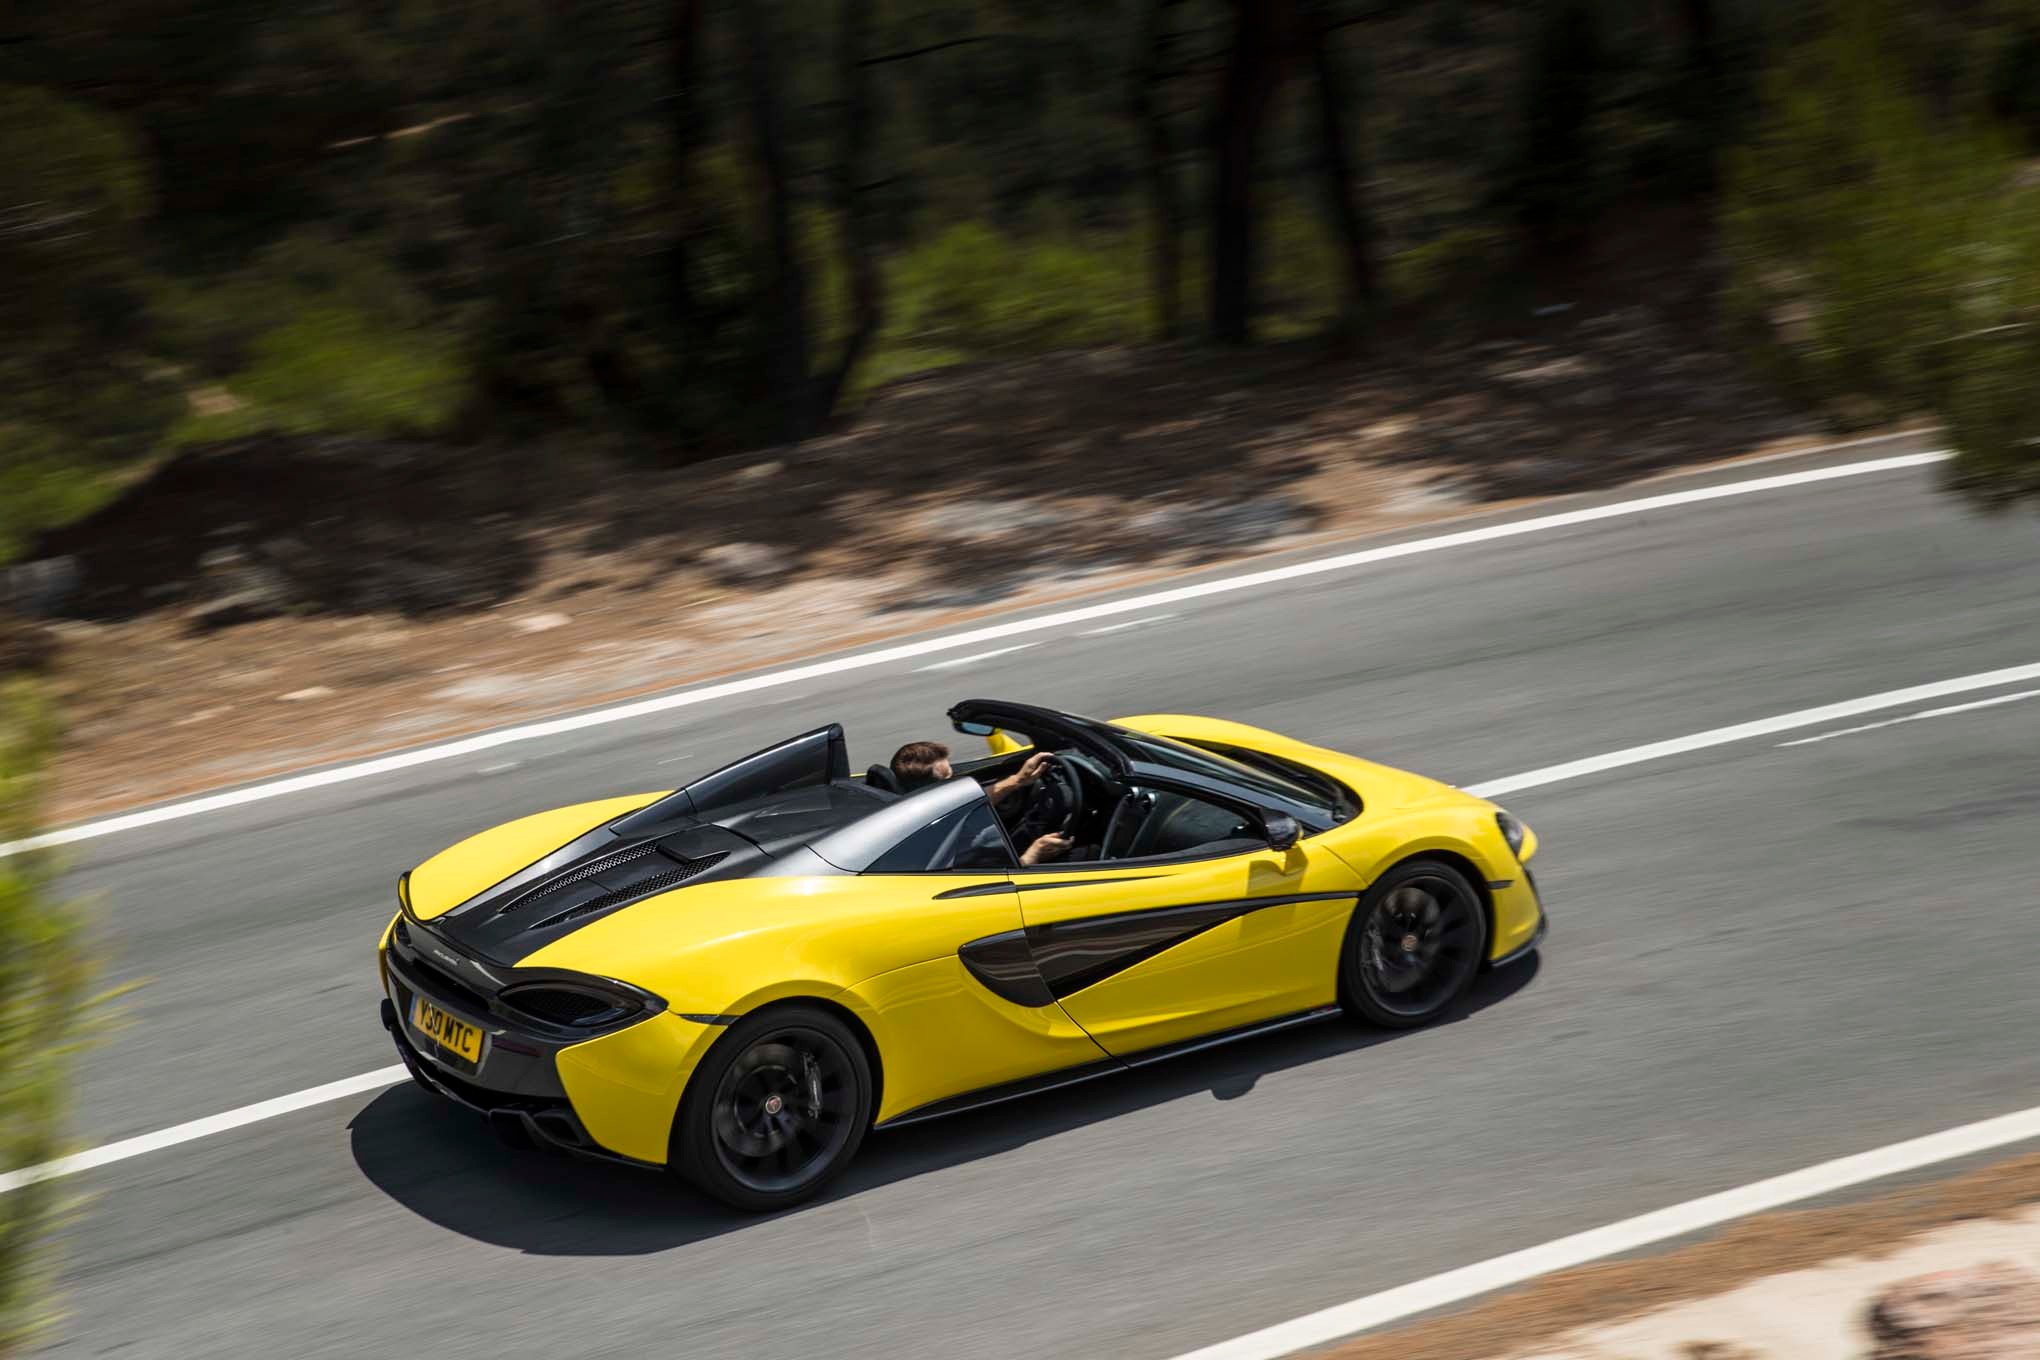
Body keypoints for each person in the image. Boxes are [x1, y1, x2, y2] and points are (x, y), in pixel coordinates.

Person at [888, 739, 1072, 865]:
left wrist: (1017, 780)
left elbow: (966, 803)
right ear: (931, 791)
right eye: (949, 778)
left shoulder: (914, 807)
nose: (958, 781)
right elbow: (999, 884)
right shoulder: (956, 840)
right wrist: (1036, 852)